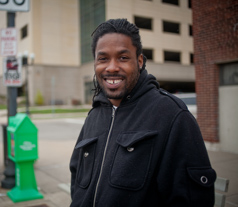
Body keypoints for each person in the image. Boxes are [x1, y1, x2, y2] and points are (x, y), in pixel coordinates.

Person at [69, 18, 216, 207]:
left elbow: (192, 200)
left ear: (139, 61)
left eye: (123, 57)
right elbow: (76, 180)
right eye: (103, 58)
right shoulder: (94, 116)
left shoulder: (172, 115)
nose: (111, 67)